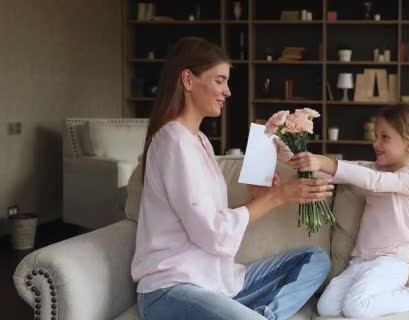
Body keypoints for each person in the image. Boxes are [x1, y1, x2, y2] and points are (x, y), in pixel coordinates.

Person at [131, 36, 333, 320]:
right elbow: (212, 233)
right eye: (219, 81)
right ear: (188, 80)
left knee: (315, 259)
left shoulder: (199, 140)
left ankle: (261, 316)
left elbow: (209, 220)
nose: (227, 91)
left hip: (220, 282)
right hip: (172, 288)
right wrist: (278, 197)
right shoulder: (172, 142)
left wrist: (259, 197)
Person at [287, 104, 409, 318]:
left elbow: (374, 181)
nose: (375, 143)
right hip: (359, 263)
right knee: (326, 308)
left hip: (390, 263)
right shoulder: (377, 170)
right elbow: (336, 176)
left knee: (356, 308)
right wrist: (295, 159)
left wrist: (326, 162)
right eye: (375, 136)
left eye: (384, 137)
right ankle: (393, 295)